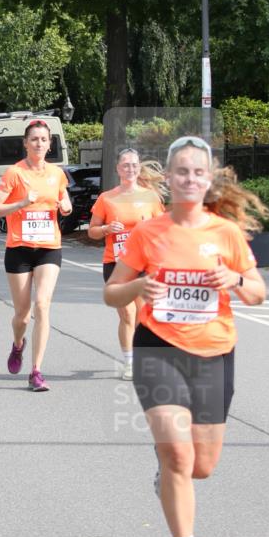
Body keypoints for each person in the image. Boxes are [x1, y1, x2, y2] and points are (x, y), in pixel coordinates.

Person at [103, 136, 267, 537]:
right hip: (158, 349)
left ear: (208, 179)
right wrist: (139, 289)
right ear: (169, 180)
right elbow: (111, 292)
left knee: (202, 466)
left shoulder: (225, 233)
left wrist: (235, 279)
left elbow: (256, 292)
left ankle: (168, 475)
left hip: (214, 355)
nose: (190, 178)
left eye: (198, 171)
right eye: (182, 171)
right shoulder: (147, 233)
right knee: (178, 453)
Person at [0, 119, 72, 391]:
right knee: (22, 315)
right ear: (25, 143)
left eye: (44, 139)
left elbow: (64, 199)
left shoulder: (57, 173)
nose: (39, 144)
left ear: (50, 144)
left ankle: (36, 371)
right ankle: (18, 344)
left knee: (42, 305)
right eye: (34, 139)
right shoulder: (14, 173)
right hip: (19, 248)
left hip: (48, 247)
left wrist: (66, 206)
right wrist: (22, 202)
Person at [88, 148, 165, 379]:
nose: (130, 169)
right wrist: (105, 229)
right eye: (125, 165)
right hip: (116, 263)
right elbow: (92, 231)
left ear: (138, 168)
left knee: (143, 314)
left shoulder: (150, 197)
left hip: (143, 264)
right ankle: (130, 361)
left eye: (134, 165)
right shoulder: (106, 198)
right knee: (127, 315)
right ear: (118, 169)